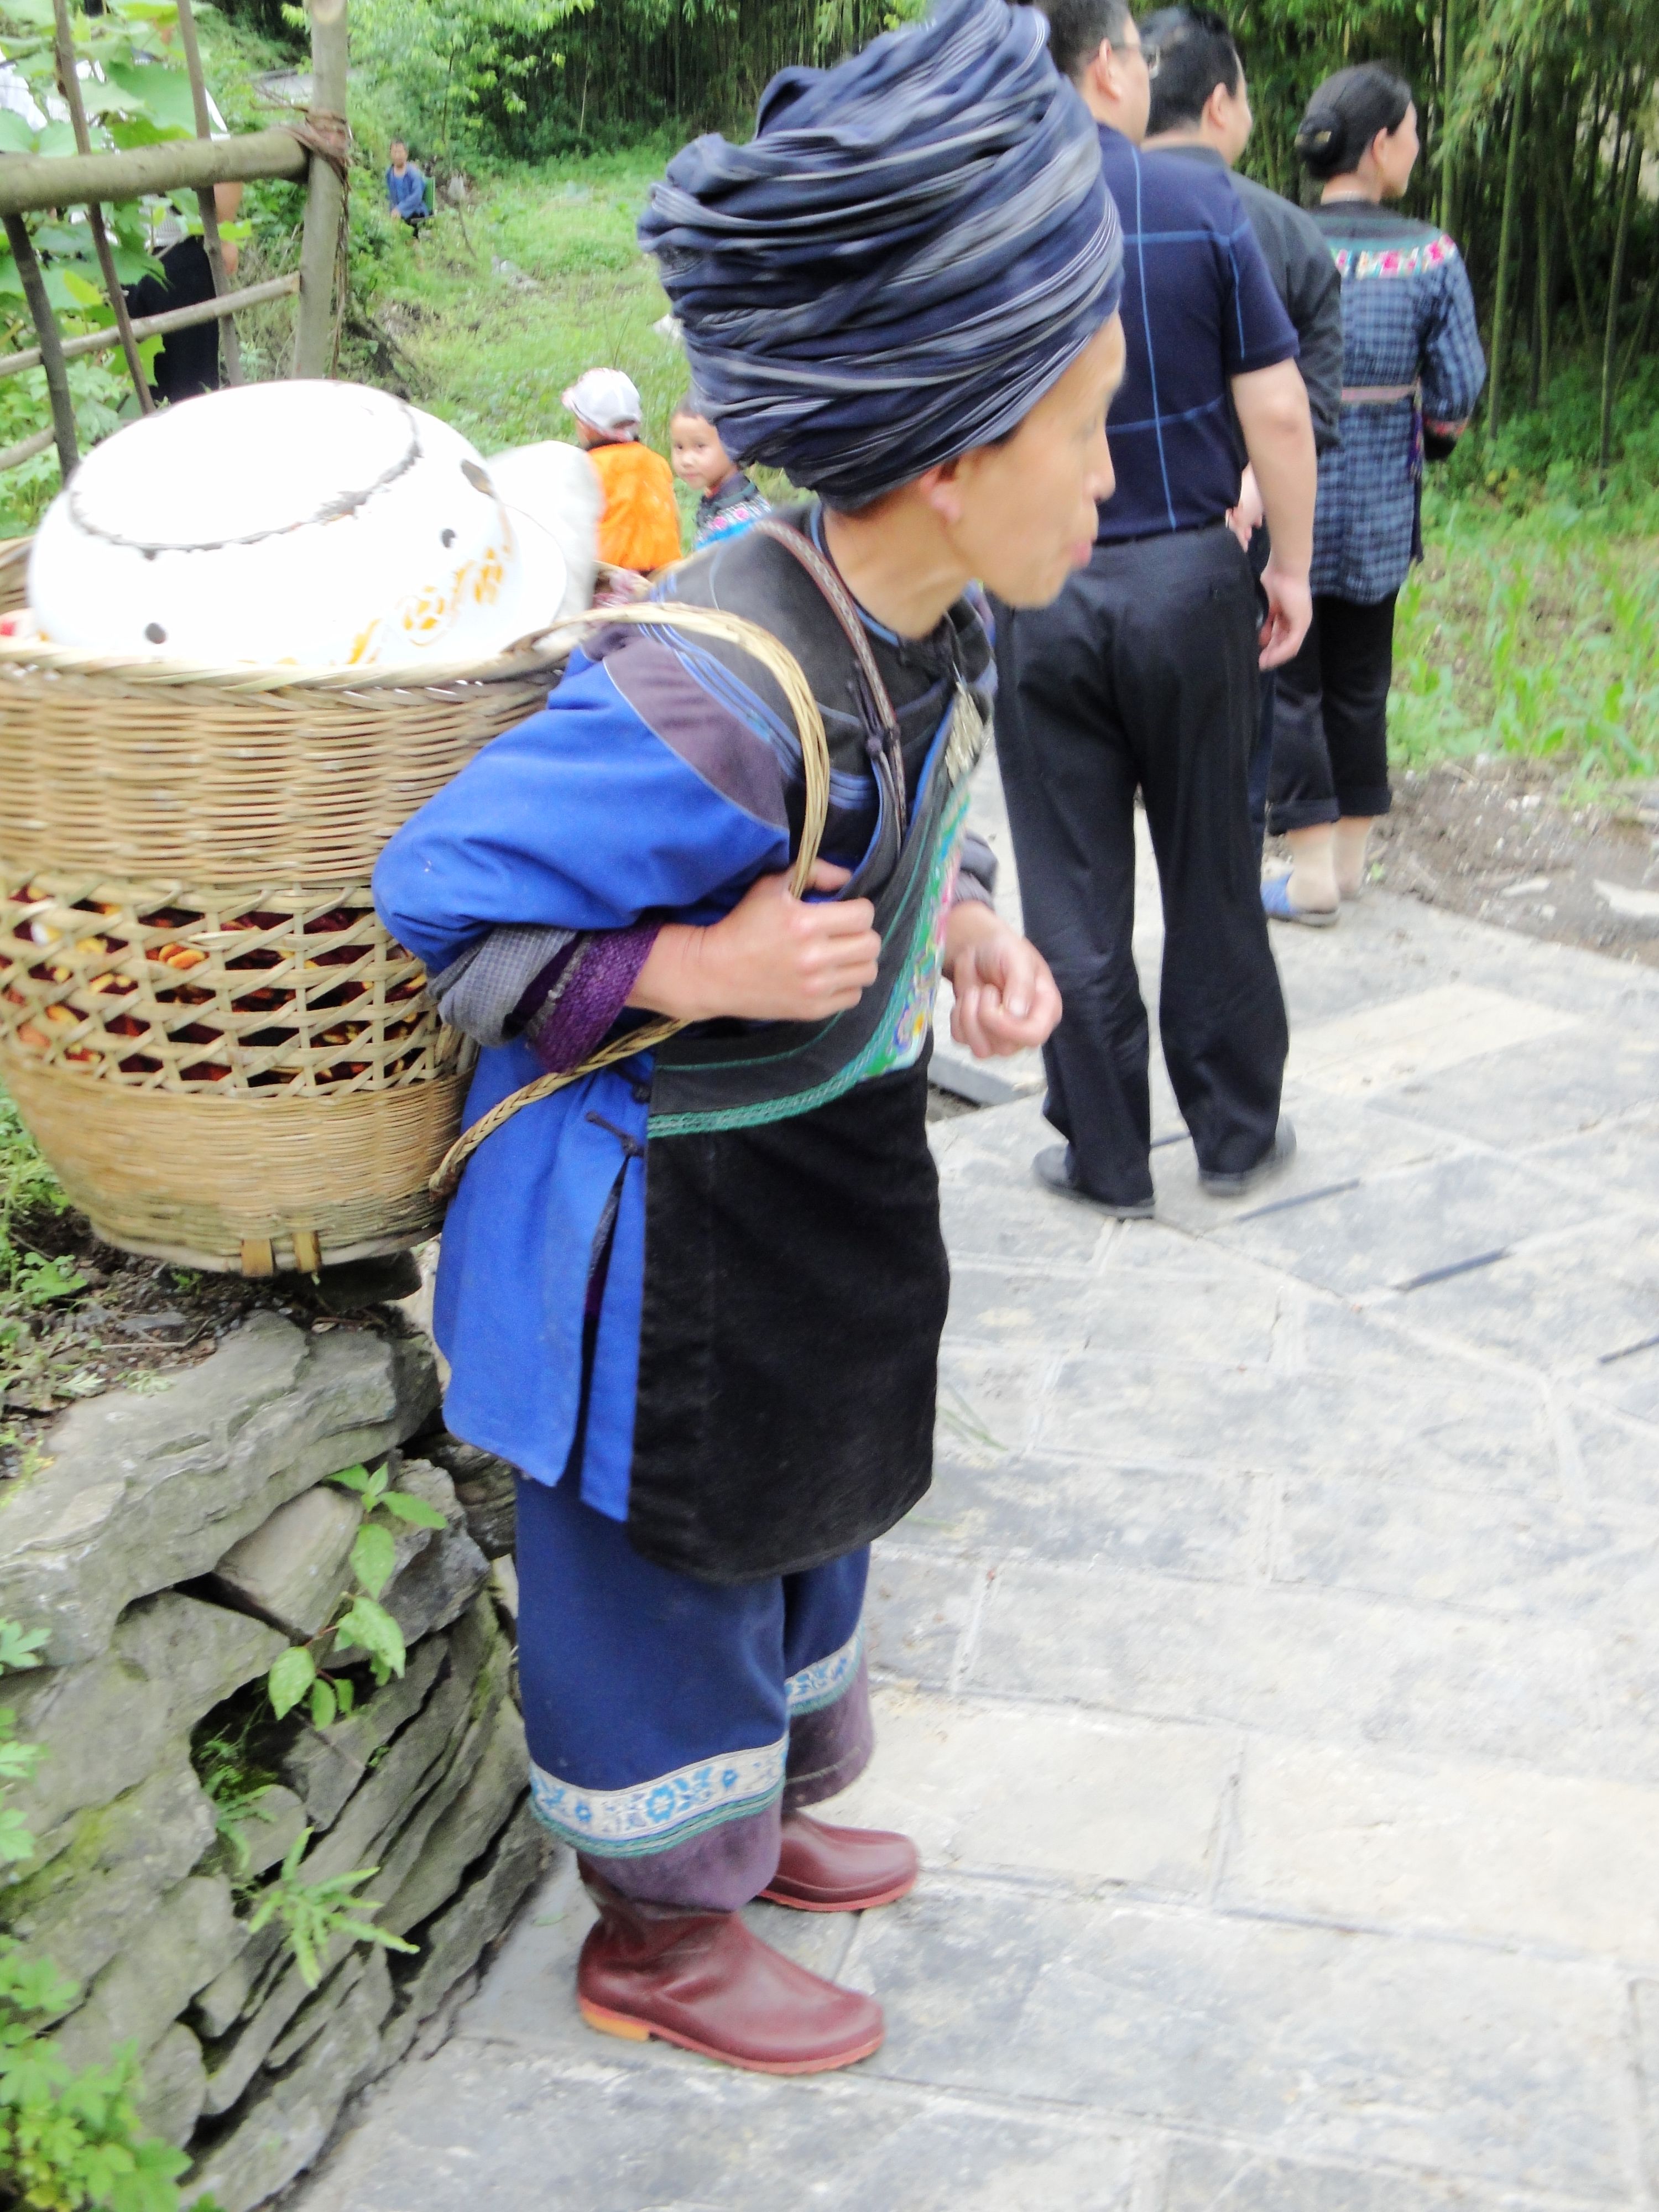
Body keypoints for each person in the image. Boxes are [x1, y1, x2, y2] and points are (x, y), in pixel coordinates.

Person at [373, 0, 1123, 2075]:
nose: (1112, 475)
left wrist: (960, 923)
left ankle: (763, 1823)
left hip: (816, 1174)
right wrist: (692, 969)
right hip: (655, 1237)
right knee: (669, 1555)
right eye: (1088, 431)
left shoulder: (938, 615)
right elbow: (434, 887)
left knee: (810, 1501)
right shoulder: (706, 690)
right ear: (956, 460)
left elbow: (909, 810)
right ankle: (659, 1929)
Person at [993, 0, 1316, 1219]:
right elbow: (1277, 411)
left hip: (1040, 586)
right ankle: (1234, 1134)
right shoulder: (1194, 204)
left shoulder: (989, 217)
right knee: (1214, 865)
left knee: (1069, 886)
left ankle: (1107, 1158)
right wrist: (1288, 568)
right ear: (1111, 68)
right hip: (1188, 582)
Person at [1263, 65, 1484, 922]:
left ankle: (1311, 870)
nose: (1420, 149)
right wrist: (1431, 438)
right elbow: (1456, 394)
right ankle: (1348, 868)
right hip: (1381, 507)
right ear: (1382, 143)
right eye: (1415, 133)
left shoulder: (1273, 236)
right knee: (1361, 681)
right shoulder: (1430, 256)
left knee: (1291, 683)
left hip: (1282, 494)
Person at [1140, 4, 1343, 860]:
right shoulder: (1286, 233)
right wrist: (1265, 508)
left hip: (1082, 559)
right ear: (1220, 103)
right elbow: (1305, 408)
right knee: (1224, 796)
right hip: (1228, 553)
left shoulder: (1068, 212)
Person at [124, 183, 243, 405]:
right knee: (187, 396)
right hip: (97, 254)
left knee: (187, 395)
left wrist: (223, 230)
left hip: (171, 251)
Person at [564, 368, 684, 574]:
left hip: (607, 581)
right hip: (664, 577)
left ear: (584, 426)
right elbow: (677, 522)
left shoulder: (584, 469)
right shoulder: (657, 463)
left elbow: (568, 533)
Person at [670, 395, 771, 548]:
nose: (686, 460)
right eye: (679, 447)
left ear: (733, 444)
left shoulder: (742, 522)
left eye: (700, 446)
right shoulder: (724, 499)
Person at [385, 142, 429, 233]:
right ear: (390, 154)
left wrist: (400, 209)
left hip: (415, 212)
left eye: (400, 152)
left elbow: (417, 196)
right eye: (394, 152)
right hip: (396, 215)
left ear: (406, 154)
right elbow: (387, 195)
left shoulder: (413, 173)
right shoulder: (389, 173)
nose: (397, 155)